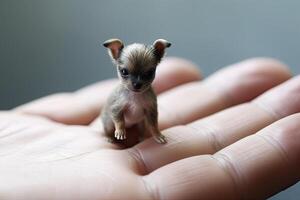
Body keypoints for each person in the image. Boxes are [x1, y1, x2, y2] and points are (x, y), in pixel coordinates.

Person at [0, 57, 299, 200]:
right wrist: (117, 128)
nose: (137, 83)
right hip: (113, 128)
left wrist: (153, 131)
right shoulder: (119, 96)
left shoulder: (150, 97)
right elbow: (115, 113)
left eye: (146, 75)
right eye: (127, 75)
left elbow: (152, 113)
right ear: (116, 62)